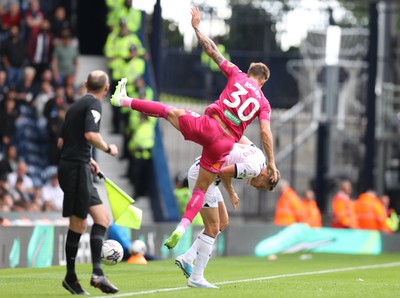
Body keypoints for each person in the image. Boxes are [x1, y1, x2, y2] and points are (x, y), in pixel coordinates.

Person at [111, 6, 278, 249]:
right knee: (201, 188)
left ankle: (123, 100)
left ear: (250, 72)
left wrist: (197, 28)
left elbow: (212, 50)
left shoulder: (237, 74)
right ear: (263, 82)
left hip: (208, 125)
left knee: (168, 111)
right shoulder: (263, 102)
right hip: (223, 143)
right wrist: (271, 162)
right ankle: (181, 228)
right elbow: (264, 132)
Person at [175, 136, 279, 288]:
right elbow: (222, 171)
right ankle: (196, 277)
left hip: (208, 173)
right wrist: (231, 192)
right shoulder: (254, 169)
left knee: (223, 221)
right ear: (264, 175)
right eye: (262, 186)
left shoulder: (259, 155)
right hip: (203, 174)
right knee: (213, 227)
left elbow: (240, 137)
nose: (257, 188)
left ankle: (188, 257)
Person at [57, 70, 119, 295]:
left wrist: (88, 158)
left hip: (78, 166)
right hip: (75, 170)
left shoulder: (74, 107)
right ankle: (72, 278)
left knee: (103, 218)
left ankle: (97, 273)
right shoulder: (94, 104)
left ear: (85, 84)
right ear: (106, 88)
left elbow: (62, 142)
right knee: (79, 224)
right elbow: (90, 135)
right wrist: (108, 149)